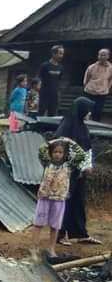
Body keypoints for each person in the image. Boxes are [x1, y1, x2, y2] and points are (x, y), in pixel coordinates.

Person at [56, 97, 101, 246]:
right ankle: (60, 234)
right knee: (66, 203)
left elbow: (87, 149)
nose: (89, 114)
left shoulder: (82, 127)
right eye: (88, 110)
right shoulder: (66, 128)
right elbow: (64, 151)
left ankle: (80, 233)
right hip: (69, 172)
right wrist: (78, 167)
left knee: (78, 202)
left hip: (80, 173)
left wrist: (87, 166)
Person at [32, 138, 85, 258]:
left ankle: (51, 249)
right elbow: (42, 149)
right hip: (45, 197)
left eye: (60, 152)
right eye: (55, 152)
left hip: (59, 198)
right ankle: (34, 248)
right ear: (51, 153)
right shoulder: (47, 162)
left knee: (55, 225)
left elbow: (81, 154)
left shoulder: (69, 165)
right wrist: (55, 140)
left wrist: (70, 142)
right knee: (38, 223)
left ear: (65, 154)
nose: (57, 154)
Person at [83, 48, 112, 122]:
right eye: (100, 55)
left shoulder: (110, 68)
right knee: (87, 111)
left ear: (108, 56)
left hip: (101, 93)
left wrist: (107, 88)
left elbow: (110, 80)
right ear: (98, 56)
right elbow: (86, 80)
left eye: (104, 55)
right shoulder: (91, 67)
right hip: (90, 91)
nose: (102, 57)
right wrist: (87, 87)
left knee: (98, 112)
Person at [38, 45, 65, 116]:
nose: (61, 55)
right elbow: (39, 78)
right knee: (41, 112)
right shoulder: (44, 66)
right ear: (54, 53)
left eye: (62, 54)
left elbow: (59, 79)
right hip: (44, 94)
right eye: (60, 53)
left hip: (54, 95)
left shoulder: (61, 67)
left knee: (52, 114)